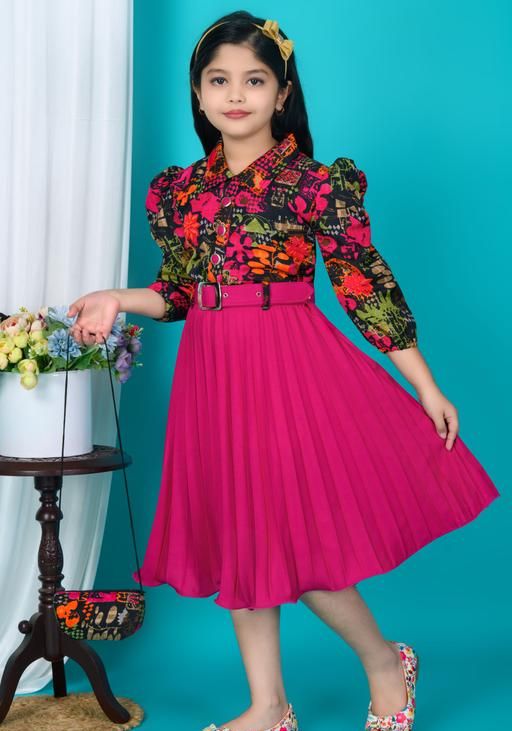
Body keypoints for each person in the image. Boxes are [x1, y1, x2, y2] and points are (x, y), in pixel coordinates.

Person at [67, 10, 501, 731]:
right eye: (219, 80)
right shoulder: (181, 192)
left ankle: (385, 663)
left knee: (298, 540)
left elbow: (362, 286)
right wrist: (116, 297)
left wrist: (425, 385)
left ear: (282, 91)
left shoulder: (313, 184)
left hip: (289, 368)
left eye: (255, 80)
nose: (236, 95)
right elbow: (176, 293)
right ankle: (268, 706)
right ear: (199, 94)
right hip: (213, 374)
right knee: (238, 536)